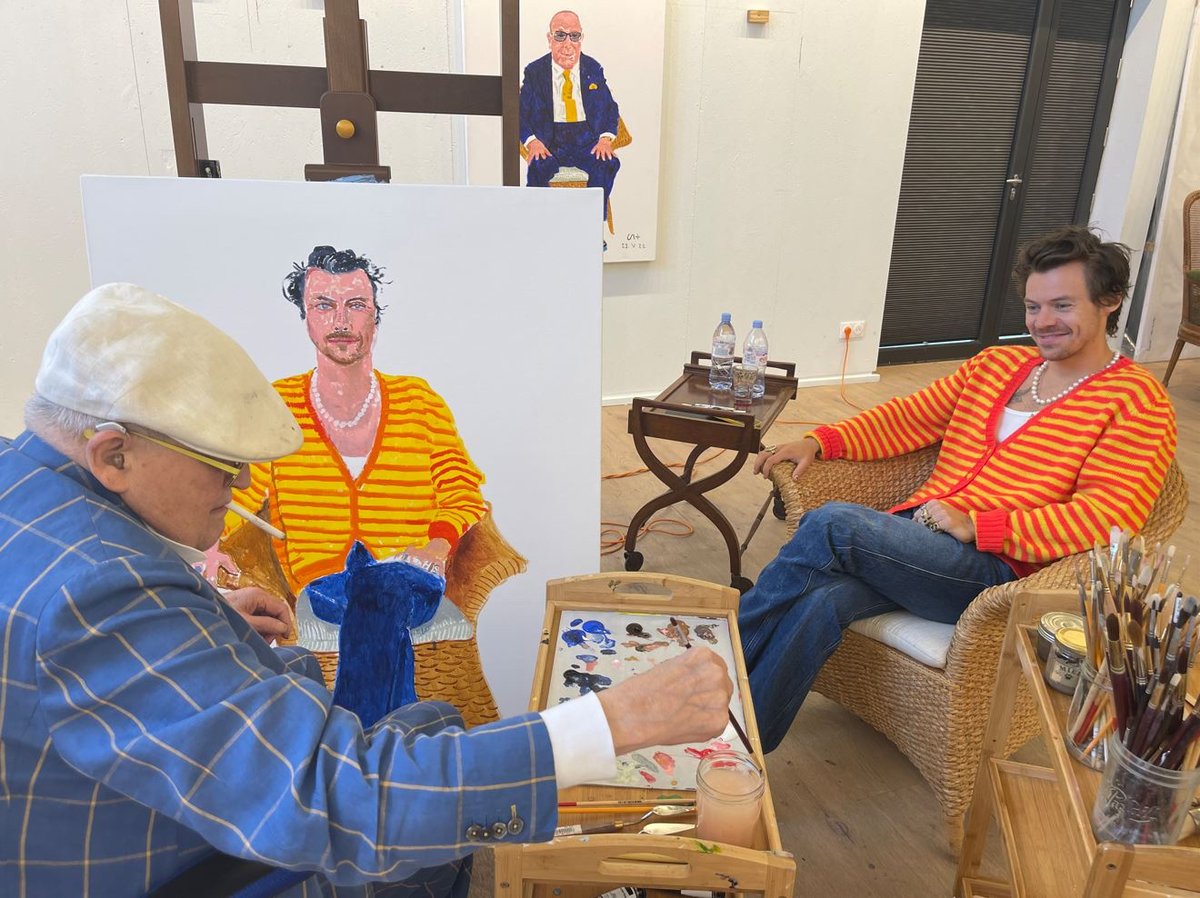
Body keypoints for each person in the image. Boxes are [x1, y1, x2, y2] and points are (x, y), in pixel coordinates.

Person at [0, 283, 734, 897]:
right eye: (221, 463)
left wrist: (200, 621)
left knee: (430, 715)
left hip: (149, 795)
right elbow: (341, 800)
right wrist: (606, 724)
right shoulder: (103, 594)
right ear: (113, 454)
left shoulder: (23, 480)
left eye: (357, 305)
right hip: (192, 860)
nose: (241, 481)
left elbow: (459, 483)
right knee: (426, 802)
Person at [740, 225, 1178, 753]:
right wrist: (821, 440)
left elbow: (1107, 518)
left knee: (834, 523)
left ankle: (719, 650)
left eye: (1062, 305)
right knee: (821, 602)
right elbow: (908, 417)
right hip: (918, 542)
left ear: (1109, 301)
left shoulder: (1136, 401)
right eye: (1033, 306)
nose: (1042, 321)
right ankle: (736, 745)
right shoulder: (997, 366)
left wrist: (983, 526)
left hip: (993, 570)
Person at [224, 246, 501, 722]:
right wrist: (210, 546)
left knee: (382, 585)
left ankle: (357, 739)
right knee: (370, 590)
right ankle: (393, 735)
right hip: (324, 583)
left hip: (412, 576)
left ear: (375, 316)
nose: (340, 320)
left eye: (355, 304)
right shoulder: (279, 405)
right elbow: (241, 493)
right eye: (323, 305)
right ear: (306, 318)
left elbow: (461, 488)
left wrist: (437, 546)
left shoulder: (419, 400)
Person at [520, 10, 622, 223]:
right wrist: (533, 141)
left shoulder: (592, 67)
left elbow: (610, 107)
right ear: (549, 39)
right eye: (560, 35)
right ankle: (537, 223)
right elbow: (520, 112)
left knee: (607, 163)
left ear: (581, 39)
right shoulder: (535, 71)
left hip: (585, 138)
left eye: (574, 36)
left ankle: (592, 224)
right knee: (538, 167)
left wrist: (605, 138)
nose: (568, 44)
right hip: (550, 139)